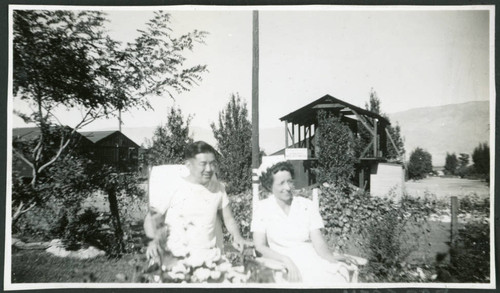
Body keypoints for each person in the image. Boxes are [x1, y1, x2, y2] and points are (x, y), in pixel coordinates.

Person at [251, 160, 357, 284]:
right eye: (281, 183)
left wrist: (331, 258)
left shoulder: (306, 205)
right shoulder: (263, 209)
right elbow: (260, 246)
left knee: (339, 273)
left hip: (311, 259)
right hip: (281, 262)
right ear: (270, 186)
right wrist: (286, 260)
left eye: (290, 181)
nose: (288, 187)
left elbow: (319, 244)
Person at [144, 141, 250, 262]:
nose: (209, 169)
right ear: (189, 165)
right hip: (176, 259)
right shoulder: (174, 187)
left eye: (212, 164)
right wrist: (153, 242)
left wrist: (237, 237)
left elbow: (229, 219)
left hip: (210, 259)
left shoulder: (218, 188)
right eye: (203, 164)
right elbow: (150, 219)